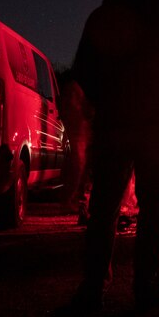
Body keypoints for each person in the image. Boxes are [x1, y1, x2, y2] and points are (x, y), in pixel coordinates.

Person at [70, 0, 159, 312]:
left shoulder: (102, 17)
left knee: (105, 206)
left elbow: (83, 70)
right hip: (154, 125)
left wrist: (103, 102)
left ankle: (92, 288)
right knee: (153, 205)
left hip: (113, 124)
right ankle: (148, 284)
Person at [57, 71, 93, 226]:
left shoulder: (77, 87)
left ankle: (77, 201)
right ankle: (72, 201)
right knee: (79, 166)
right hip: (79, 131)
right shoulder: (76, 88)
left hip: (82, 131)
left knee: (81, 166)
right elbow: (73, 109)